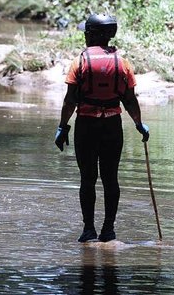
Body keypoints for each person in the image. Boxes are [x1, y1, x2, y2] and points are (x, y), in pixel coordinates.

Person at [54, 14, 150, 243]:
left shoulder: (80, 62)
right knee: (111, 178)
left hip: (86, 127)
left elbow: (70, 101)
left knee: (87, 178)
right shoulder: (123, 63)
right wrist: (138, 124)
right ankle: (108, 230)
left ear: (93, 35)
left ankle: (88, 229)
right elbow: (130, 100)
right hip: (112, 127)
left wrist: (62, 127)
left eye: (87, 33)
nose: (85, 36)